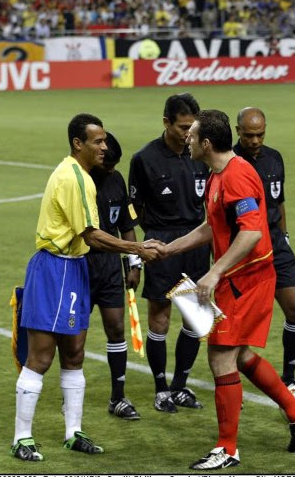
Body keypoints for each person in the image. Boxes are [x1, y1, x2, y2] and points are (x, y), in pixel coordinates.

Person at [153, 109, 295, 470]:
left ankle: (227, 449)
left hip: (247, 280)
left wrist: (213, 274)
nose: (188, 139)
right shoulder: (217, 175)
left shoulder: (238, 176)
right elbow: (212, 226)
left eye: (193, 135)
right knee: (240, 356)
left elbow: (251, 233)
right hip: (237, 277)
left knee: (220, 358)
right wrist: (170, 247)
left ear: (207, 143)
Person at [11, 114, 159, 462]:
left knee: (75, 354)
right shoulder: (72, 177)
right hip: (53, 269)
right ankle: (22, 438)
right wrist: (138, 250)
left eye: (105, 140)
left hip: (75, 268)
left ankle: (72, 432)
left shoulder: (83, 178)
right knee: (41, 357)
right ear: (78, 143)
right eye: (97, 141)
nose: (104, 147)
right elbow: (91, 235)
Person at [128, 93, 210, 413]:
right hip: (161, 244)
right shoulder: (144, 159)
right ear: (166, 123)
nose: (188, 133)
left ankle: (180, 387)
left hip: (196, 242)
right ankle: (161, 388)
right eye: (182, 127)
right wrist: (136, 256)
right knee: (160, 319)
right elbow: (132, 215)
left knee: (195, 319)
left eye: (193, 127)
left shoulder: (201, 152)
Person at [233, 107, 295, 387]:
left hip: (276, 243)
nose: (255, 141)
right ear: (238, 131)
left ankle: (289, 378)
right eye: (249, 135)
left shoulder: (274, 158)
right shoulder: (229, 163)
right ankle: (232, 381)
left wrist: (284, 235)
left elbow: (279, 202)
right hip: (246, 250)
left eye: (260, 134)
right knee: (243, 323)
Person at [86, 131, 143, 421]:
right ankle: (72, 396)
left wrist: (135, 264)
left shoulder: (116, 179)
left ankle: (118, 397)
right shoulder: (79, 181)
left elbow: (127, 224)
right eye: (108, 164)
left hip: (109, 268)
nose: (111, 169)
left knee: (116, 329)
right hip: (79, 267)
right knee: (74, 338)